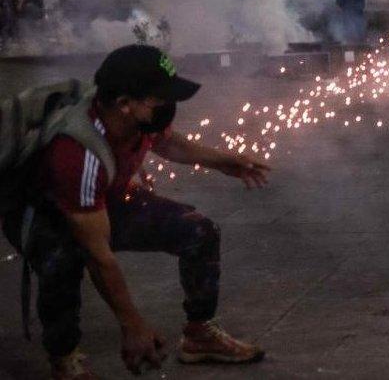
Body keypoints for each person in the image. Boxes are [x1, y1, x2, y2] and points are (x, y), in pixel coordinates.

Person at [1, 45, 271, 378]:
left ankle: (200, 336)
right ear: (125, 104)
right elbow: (100, 257)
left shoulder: (138, 121)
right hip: (47, 212)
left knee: (199, 231)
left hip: (102, 198)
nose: (167, 106)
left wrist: (226, 161)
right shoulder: (78, 153)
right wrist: (133, 326)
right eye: (158, 99)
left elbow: (169, 144)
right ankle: (65, 359)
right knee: (63, 263)